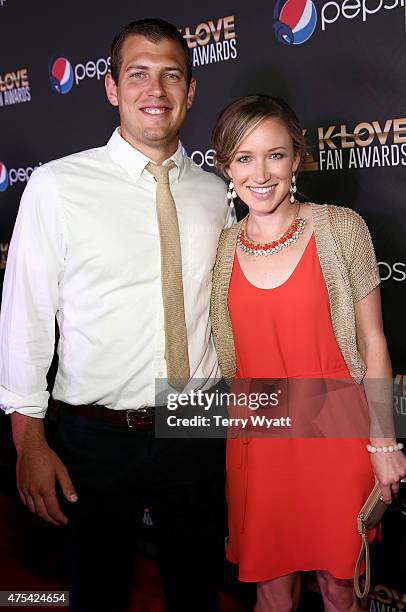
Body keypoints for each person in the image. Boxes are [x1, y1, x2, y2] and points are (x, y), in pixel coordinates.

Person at [0, 18, 233, 612]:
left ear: (191, 90)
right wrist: (28, 441)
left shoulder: (218, 193)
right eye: (138, 75)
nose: (155, 90)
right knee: (96, 592)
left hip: (198, 421)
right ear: (110, 88)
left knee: (195, 590)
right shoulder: (57, 186)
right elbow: (26, 315)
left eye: (171, 75)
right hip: (96, 434)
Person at [210, 95, 406, 611]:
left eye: (274, 155)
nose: (261, 173)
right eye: (243, 157)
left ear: (296, 158)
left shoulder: (342, 229)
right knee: (272, 592)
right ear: (226, 167)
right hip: (259, 438)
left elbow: (374, 343)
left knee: (342, 589)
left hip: (339, 434)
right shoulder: (222, 248)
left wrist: (385, 444)